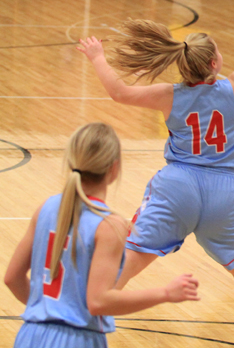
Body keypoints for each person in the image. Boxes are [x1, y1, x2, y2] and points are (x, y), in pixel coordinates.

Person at [75, 0, 234, 343]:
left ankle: (89, 312)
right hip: (223, 191)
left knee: (135, 255)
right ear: (214, 62)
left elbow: (119, 92)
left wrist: (98, 57)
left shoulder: (169, 95)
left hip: (177, 186)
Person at [4, 123, 200, 347]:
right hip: (76, 340)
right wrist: (165, 293)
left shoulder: (45, 208)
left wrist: (46, 309)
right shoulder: (109, 225)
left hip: (30, 335)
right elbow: (98, 301)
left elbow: (12, 279)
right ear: (114, 169)